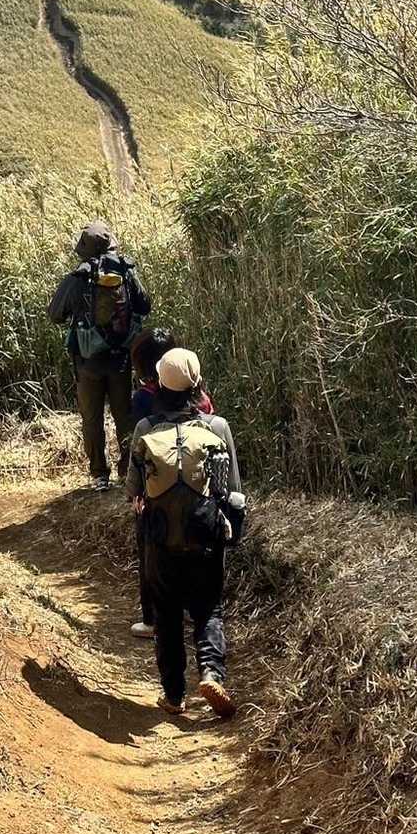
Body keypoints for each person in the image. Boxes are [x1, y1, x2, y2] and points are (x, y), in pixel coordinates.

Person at [127, 348, 244, 719]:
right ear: (197, 384)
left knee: (167, 614)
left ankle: (174, 695)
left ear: (159, 384)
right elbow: (234, 491)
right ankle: (211, 674)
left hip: (160, 539)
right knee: (208, 609)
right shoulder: (217, 427)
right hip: (205, 535)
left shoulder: (145, 429)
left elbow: (133, 490)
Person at [48, 220, 151, 492]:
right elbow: (145, 305)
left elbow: (55, 314)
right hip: (120, 357)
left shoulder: (78, 277)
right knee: (124, 415)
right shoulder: (125, 271)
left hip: (87, 360)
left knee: (92, 418)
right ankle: (127, 471)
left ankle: (99, 475)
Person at [127, 328, 215, 640]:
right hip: (198, 495)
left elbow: (137, 455)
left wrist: (134, 494)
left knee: (152, 556)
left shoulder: (145, 401)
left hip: (156, 496)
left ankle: (152, 619)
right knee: (195, 552)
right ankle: (193, 611)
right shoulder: (204, 403)